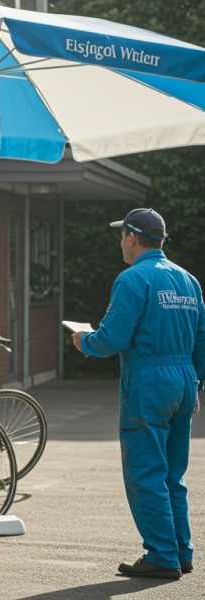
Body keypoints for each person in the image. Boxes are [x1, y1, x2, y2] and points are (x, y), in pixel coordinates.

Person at [72, 208, 204, 580]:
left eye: (121, 236)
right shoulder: (187, 280)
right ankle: (181, 550)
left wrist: (84, 341)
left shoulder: (133, 279)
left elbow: (113, 338)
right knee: (172, 475)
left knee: (145, 473)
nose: (120, 243)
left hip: (148, 382)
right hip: (184, 380)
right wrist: (196, 383)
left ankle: (162, 556)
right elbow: (203, 339)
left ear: (132, 237)